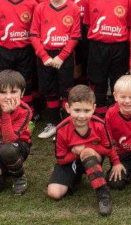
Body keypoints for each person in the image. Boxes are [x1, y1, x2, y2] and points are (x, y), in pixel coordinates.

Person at [47, 85, 116, 216]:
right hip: (70, 161)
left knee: (87, 152)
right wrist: (74, 153)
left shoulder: (100, 125)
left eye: (86, 110)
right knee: (54, 193)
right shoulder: (62, 128)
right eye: (77, 110)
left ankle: (103, 195)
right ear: (68, 108)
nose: (82, 115)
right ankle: (75, 177)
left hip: (93, 157)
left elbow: (108, 149)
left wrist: (86, 147)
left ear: (94, 109)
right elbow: (61, 159)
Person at [30, 0, 81, 139]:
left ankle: (66, 124)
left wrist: (62, 56)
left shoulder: (72, 8)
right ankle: (53, 123)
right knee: (50, 91)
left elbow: (75, 35)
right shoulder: (40, 8)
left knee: (66, 90)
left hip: (64, 56)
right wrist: (44, 57)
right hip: (45, 56)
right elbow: (34, 35)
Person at [80, 0, 131, 107]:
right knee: (98, 80)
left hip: (119, 47)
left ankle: (117, 111)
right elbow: (88, 22)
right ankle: (100, 111)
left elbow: (128, 24)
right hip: (97, 45)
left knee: (118, 80)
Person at [0, 70, 33, 196]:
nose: (8, 97)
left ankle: (19, 176)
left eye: (13, 92)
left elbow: (9, 140)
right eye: (3, 92)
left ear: (22, 93)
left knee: (7, 149)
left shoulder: (25, 111)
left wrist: (6, 113)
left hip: (16, 147)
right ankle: (5, 169)